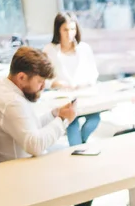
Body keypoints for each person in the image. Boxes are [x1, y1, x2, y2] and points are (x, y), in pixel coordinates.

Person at [0, 46, 103, 206]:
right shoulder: (11, 101)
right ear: (22, 77)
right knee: (86, 165)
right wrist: (64, 121)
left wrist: (55, 114)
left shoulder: (0, 89)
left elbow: (27, 128)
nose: (42, 87)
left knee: (72, 151)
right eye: (39, 82)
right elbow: (35, 144)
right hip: (18, 173)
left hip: (7, 165)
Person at [43, 12, 101, 147]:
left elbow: (94, 74)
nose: (69, 33)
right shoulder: (49, 50)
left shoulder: (84, 48)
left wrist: (85, 83)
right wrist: (55, 83)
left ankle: (81, 146)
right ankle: (79, 150)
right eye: (65, 29)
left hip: (84, 95)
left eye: (73, 29)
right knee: (72, 124)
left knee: (94, 120)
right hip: (63, 98)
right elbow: (43, 79)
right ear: (58, 30)